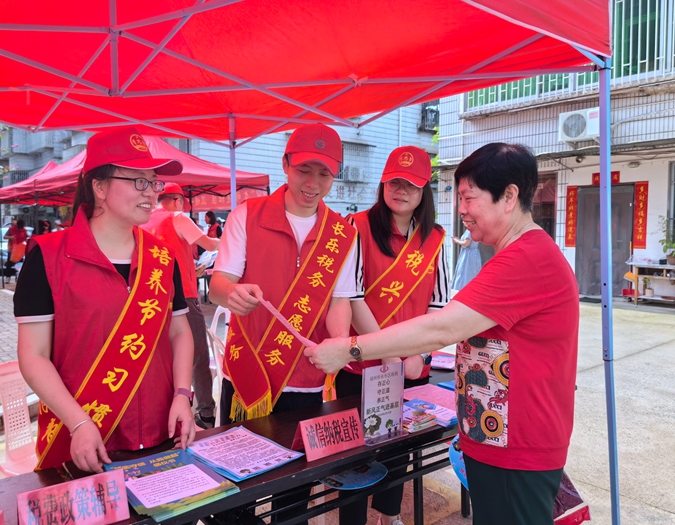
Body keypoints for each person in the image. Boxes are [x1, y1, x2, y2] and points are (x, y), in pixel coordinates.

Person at [306, 143, 580, 525]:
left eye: (469, 197)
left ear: (509, 197)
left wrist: (350, 348)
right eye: (459, 197)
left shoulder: (526, 259)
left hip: (517, 446)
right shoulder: (513, 254)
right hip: (497, 437)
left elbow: (442, 327)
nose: (461, 209)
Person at [14, 127, 196, 473]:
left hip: (162, 432)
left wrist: (183, 395)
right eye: (138, 181)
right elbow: (33, 355)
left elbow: (179, 332)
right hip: (83, 440)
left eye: (153, 182)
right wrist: (79, 422)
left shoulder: (162, 257)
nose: (151, 192)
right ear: (99, 187)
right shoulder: (48, 258)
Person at [209, 123, 357, 525]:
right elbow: (219, 284)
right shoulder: (246, 215)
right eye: (304, 170)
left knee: (294, 489)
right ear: (285, 165)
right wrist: (231, 293)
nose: (313, 183)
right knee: (236, 484)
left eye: (324, 173)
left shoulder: (343, 234)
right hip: (249, 372)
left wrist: (340, 343)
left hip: (307, 377)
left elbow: (339, 299)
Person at [339, 146, 450, 525]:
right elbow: (352, 297)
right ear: (383, 183)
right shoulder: (357, 226)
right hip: (362, 364)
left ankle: (389, 516)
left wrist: (419, 354)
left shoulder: (435, 237)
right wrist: (388, 353)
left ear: (424, 191)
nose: (401, 191)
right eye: (394, 182)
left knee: (399, 444)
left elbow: (439, 303)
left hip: (411, 364)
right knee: (355, 454)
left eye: (411, 185)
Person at [142, 182, 221, 429]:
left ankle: (164, 411)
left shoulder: (143, 221)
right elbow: (211, 245)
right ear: (177, 201)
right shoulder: (177, 217)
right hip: (183, 297)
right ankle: (205, 412)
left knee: (162, 357)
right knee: (197, 354)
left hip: (152, 299)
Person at [3, 219, 29, 283]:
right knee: (9, 264)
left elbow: (26, 238)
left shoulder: (24, 230)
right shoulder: (11, 229)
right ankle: (8, 277)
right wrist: (11, 237)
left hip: (20, 249)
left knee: (20, 264)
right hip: (12, 249)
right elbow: (5, 236)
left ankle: (18, 277)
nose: (20, 229)